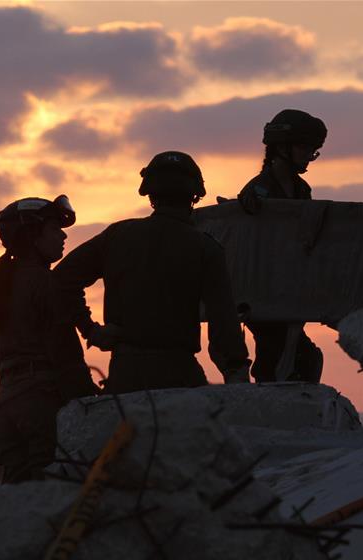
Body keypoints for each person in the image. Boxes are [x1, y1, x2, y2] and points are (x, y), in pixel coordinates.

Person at [53, 151, 250, 393]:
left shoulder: (117, 236)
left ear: (150, 196)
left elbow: (61, 280)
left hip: (125, 374)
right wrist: (235, 371)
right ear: (194, 196)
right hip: (179, 374)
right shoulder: (205, 248)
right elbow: (224, 323)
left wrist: (90, 330)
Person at [0, 195, 98, 484]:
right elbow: (64, 350)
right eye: (54, 229)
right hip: (40, 403)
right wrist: (89, 398)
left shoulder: (0, 285)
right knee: (49, 490)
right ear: (33, 236)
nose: (63, 235)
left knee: (16, 495)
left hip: (7, 405)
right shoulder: (46, 282)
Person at [237, 109, 327, 383]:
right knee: (282, 359)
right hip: (262, 294)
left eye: (312, 150)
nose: (308, 155)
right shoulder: (257, 190)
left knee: (303, 359)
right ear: (281, 147)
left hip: (290, 291)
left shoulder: (302, 189)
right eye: (303, 148)